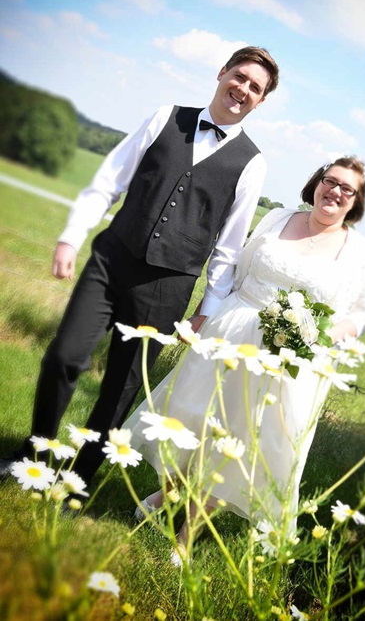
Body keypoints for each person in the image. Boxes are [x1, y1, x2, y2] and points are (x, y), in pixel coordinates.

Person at [0, 46, 280, 485]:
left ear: (261, 101)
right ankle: (33, 454)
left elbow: (229, 244)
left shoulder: (252, 163)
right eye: (240, 76)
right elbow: (111, 178)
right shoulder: (165, 115)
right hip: (111, 261)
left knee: (121, 390)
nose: (243, 88)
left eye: (255, 87)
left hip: (167, 288)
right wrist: (72, 235)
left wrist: (209, 306)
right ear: (222, 72)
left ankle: (78, 482)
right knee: (63, 357)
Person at [125, 156, 365, 562]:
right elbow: (239, 272)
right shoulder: (278, 218)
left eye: (347, 189)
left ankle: (187, 536)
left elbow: (361, 313)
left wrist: (324, 333)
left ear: (356, 202)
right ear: (317, 182)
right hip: (233, 329)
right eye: (330, 181)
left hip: (290, 358)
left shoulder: (358, 251)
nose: (335, 191)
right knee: (195, 417)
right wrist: (211, 315)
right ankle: (167, 492)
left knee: (240, 440)